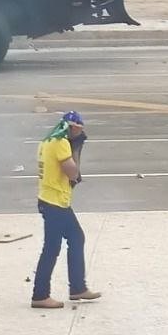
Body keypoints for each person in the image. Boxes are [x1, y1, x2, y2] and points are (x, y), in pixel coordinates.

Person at [30, 111, 100, 310]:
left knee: (75, 238)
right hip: (56, 203)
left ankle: (77, 287)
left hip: (48, 199)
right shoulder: (61, 143)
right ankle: (40, 294)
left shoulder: (46, 141)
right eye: (78, 129)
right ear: (73, 127)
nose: (79, 133)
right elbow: (73, 173)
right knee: (53, 248)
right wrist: (76, 149)